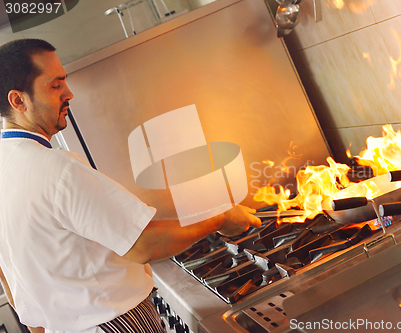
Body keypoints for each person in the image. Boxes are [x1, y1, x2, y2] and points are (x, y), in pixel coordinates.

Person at [0, 39, 261, 333]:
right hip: (115, 324)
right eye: (55, 85)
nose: (69, 93)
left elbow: (8, 279)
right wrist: (220, 217)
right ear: (18, 101)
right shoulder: (58, 170)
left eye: (65, 82)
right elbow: (142, 243)